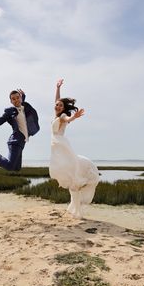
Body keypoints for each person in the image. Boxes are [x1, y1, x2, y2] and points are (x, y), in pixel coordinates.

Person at [49, 79, 99, 218]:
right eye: (57, 105)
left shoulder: (63, 116)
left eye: (60, 106)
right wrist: (57, 87)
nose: (58, 106)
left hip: (61, 145)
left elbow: (67, 119)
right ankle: (74, 203)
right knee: (65, 173)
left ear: (63, 108)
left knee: (71, 174)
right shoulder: (56, 115)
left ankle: (77, 204)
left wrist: (74, 117)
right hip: (56, 146)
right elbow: (57, 100)